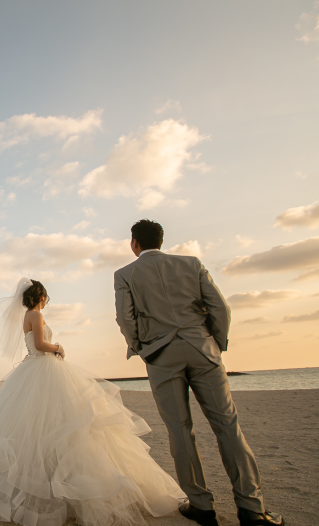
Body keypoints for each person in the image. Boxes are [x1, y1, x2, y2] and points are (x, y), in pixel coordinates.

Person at [0, 278, 185, 526]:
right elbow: (40, 344)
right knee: (63, 422)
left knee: (34, 426)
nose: (46, 301)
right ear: (41, 296)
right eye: (46, 297)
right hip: (43, 367)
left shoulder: (26, 316)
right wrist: (58, 347)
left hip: (32, 369)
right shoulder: (36, 315)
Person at [114, 219, 284, 526]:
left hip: (160, 354)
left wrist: (143, 348)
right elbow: (220, 307)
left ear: (134, 243)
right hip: (203, 348)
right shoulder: (192, 264)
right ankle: (251, 507)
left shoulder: (125, 274)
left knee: (179, 429)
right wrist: (215, 343)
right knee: (228, 425)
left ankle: (201, 505)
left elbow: (126, 319)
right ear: (161, 241)